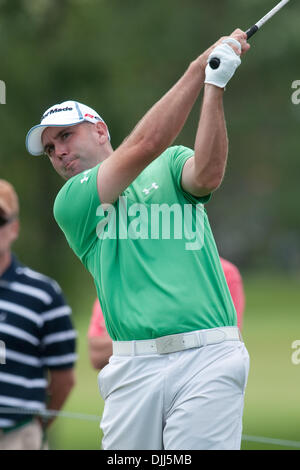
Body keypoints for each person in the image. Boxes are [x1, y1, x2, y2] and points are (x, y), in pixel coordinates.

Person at [25, 29, 251, 450]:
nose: (57, 151)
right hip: (133, 365)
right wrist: (198, 69)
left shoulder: (170, 164)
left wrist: (215, 88)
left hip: (209, 356)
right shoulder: (72, 202)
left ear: (99, 130)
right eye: (50, 147)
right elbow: (146, 143)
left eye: (65, 136)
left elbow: (207, 175)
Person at [0, 180, 77, 450]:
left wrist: (36, 427)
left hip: (18, 435)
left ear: (14, 228)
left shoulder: (44, 294)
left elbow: (63, 380)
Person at [88, 257, 245, 370]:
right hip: (134, 385)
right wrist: (182, 333)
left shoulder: (221, 271)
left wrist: (134, 335)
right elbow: (96, 353)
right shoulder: (122, 272)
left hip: (199, 383)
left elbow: (224, 341)